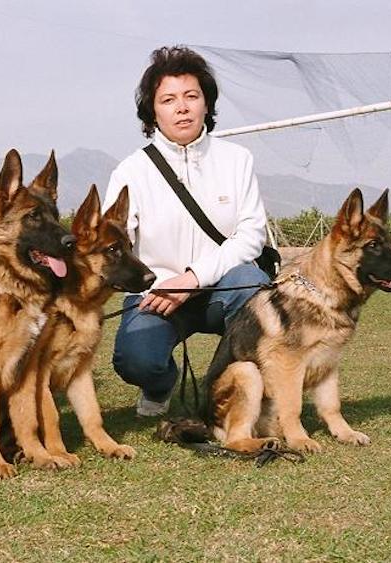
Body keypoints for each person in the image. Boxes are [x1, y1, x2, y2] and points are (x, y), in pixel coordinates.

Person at [102, 46, 269, 417]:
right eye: (168, 99)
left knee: (253, 283)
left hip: (223, 289)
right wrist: (158, 284)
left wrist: (192, 279)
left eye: (192, 96)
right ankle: (160, 386)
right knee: (136, 359)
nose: (182, 107)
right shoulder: (131, 172)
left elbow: (251, 236)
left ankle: (227, 393)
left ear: (206, 104)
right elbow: (110, 244)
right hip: (157, 295)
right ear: (152, 111)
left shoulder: (237, 160)